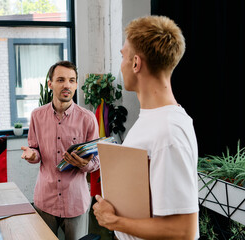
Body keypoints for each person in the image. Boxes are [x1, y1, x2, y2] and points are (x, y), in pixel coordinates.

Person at [93, 15, 199, 240]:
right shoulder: (152, 119)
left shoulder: (168, 131)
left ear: (135, 63)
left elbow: (184, 230)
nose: (121, 64)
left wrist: (113, 221)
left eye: (123, 56)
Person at [21, 60, 100, 240]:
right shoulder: (37, 116)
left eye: (72, 80)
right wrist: (32, 155)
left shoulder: (87, 119)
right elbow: (34, 149)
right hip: (45, 200)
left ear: (76, 84)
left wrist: (84, 164)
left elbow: (96, 161)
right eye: (61, 80)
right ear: (50, 84)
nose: (67, 85)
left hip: (75, 201)